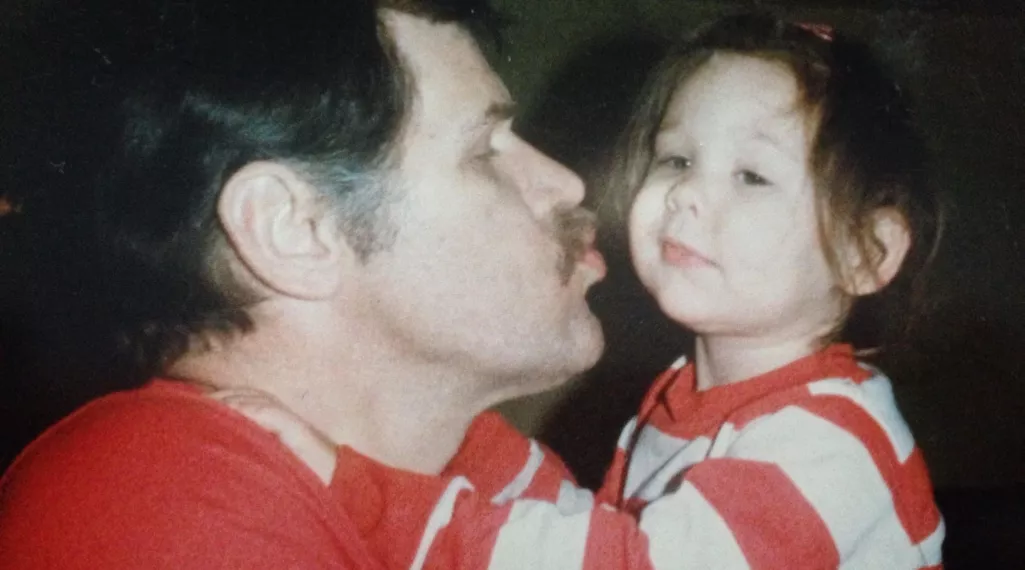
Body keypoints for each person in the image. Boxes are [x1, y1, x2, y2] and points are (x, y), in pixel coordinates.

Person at [226, 14, 947, 569]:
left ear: (866, 252)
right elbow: (602, 531)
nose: (688, 195)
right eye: (675, 158)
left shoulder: (832, 442)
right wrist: (475, 449)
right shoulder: (681, 400)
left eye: (751, 176)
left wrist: (361, 492)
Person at [0, 0, 607, 567]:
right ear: (293, 229)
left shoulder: (496, 490)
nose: (565, 184)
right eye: (483, 151)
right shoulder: (148, 506)